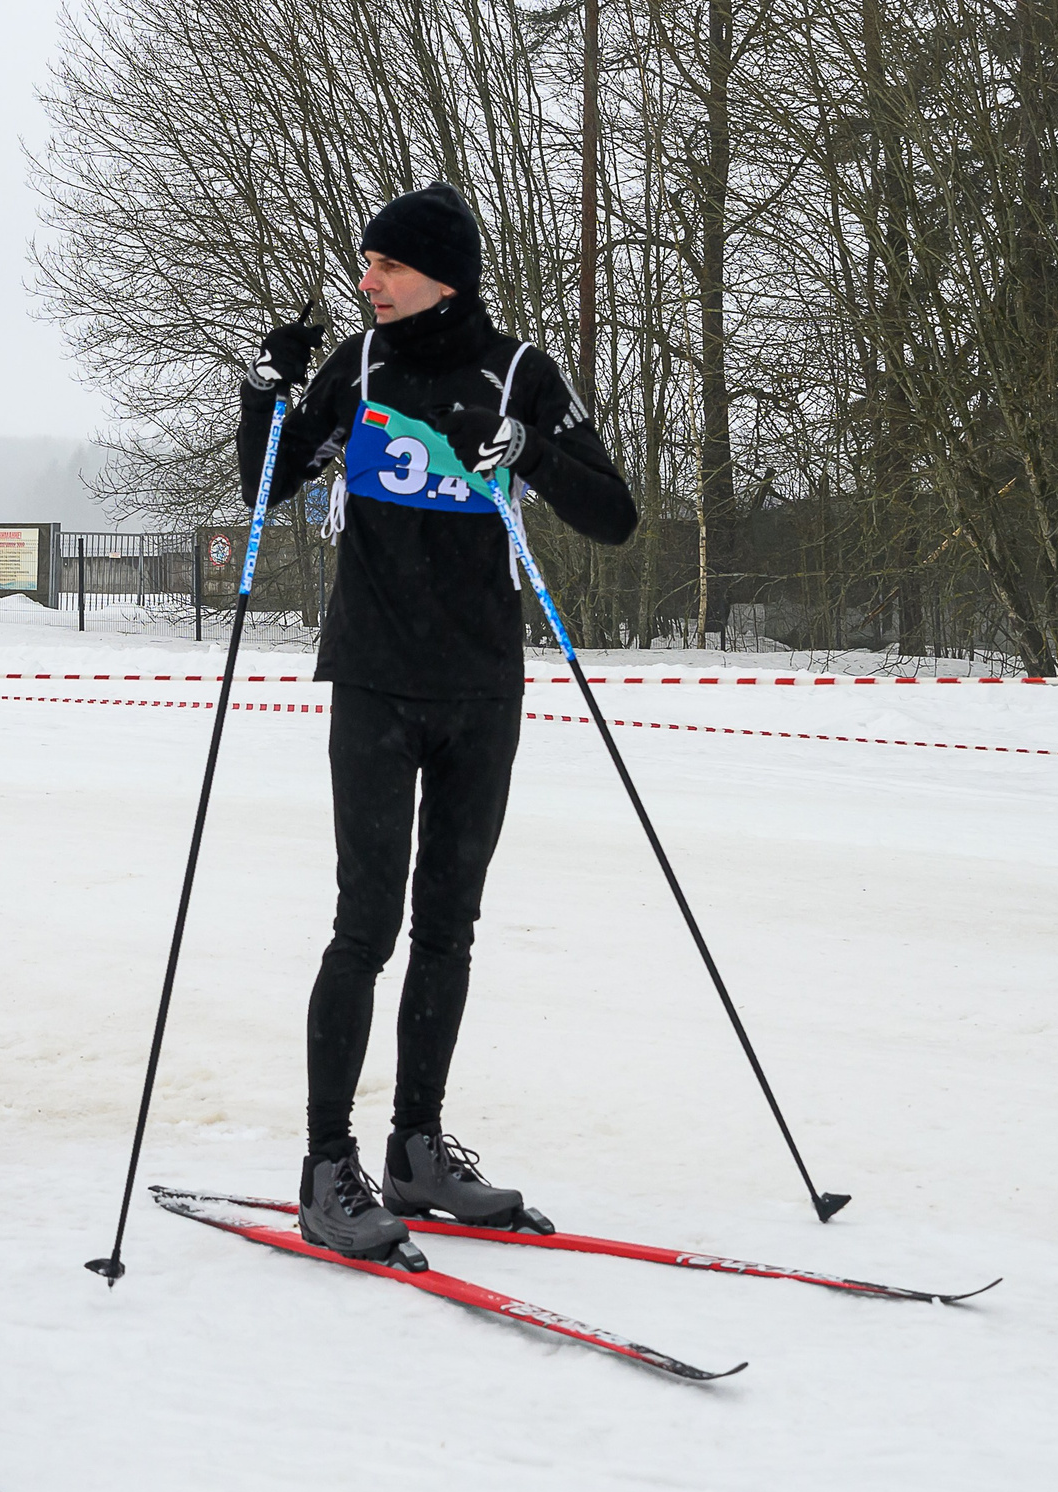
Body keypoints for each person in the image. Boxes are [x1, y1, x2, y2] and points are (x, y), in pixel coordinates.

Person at [238, 181, 638, 1267]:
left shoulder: (520, 374)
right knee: (364, 925)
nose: (366, 281)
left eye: (387, 266)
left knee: (449, 926)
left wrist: (529, 449)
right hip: (375, 679)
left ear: (442, 278)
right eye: (368, 264)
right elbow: (266, 486)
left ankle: (416, 1150)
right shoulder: (359, 366)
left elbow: (615, 515)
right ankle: (328, 1163)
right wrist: (264, 393)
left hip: (480, 689)